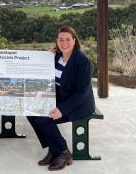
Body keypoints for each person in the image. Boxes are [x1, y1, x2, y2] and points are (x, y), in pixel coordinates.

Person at [27, 26, 96, 171]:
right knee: (30, 111)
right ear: (56, 41)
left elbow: (82, 92)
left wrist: (61, 109)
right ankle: (54, 149)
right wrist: (46, 58)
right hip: (60, 98)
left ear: (74, 40)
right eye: (61, 40)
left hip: (78, 104)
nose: (64, 43)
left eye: (68, 39)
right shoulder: (57, 56)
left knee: (43, 118)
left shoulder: (82, 60)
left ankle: (63, 152)